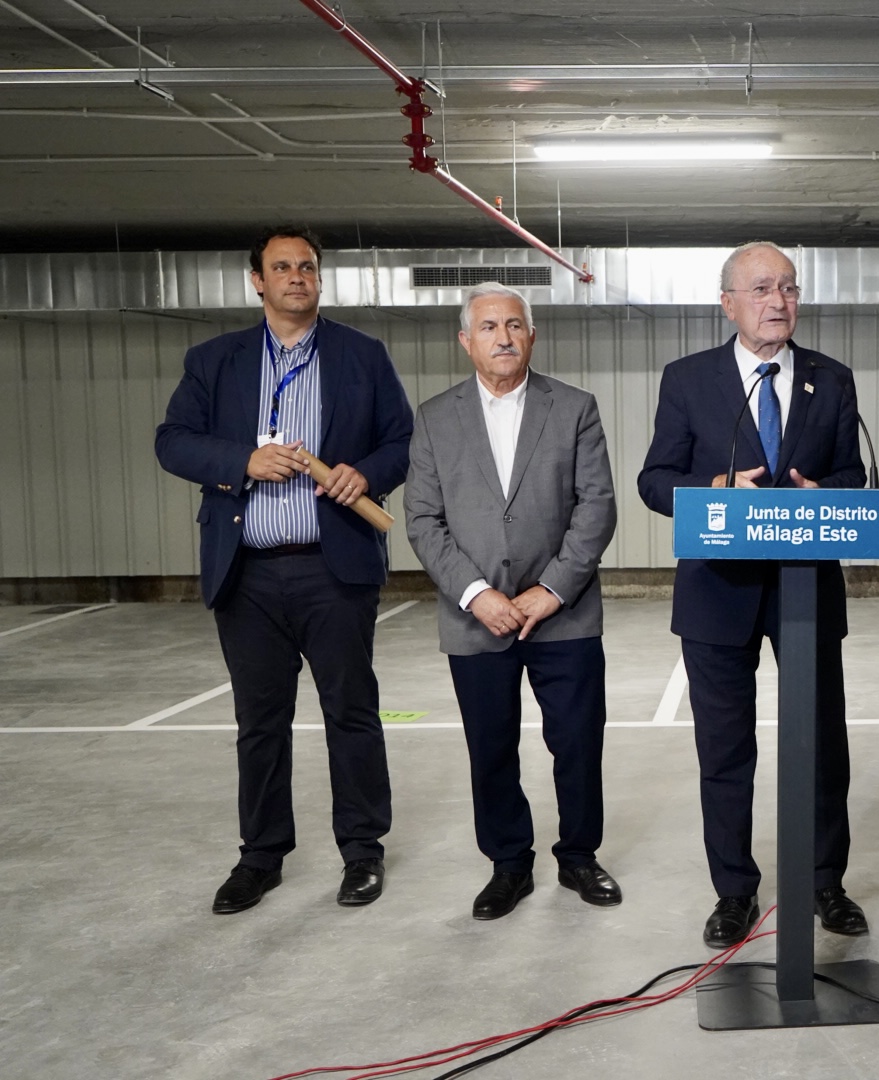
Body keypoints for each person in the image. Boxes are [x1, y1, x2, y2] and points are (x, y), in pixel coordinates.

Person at [154, 226, 413, 914]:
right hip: (247, 573)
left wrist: (367, 474)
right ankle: (260, 857)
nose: (296, 276)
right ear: (258, 281)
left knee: (351, 713)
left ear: (318, 279)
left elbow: (401, 441)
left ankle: (362, 851)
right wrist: (242, 460)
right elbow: (172, 441)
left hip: (335, 568)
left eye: (306, 266)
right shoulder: (215, 361)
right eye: (282, 267)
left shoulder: (361, 355)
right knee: (260, 722)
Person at [637, 241, 868, 948]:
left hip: (806, 588)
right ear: (728, 303)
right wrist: (714, 488)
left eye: (789, 288)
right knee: (725, 753)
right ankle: (734, 891)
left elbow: (853, 476)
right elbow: (654, 480)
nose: (779, 301)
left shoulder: (831, 378)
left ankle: (825, 882)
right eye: (763, 288)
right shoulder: (688, 379)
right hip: (717, 593)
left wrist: (821, 492)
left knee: (821, 745)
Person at [405, 282, 619, 920]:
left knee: (577, 743)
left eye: (514, 325)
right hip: (476, 619)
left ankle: (579, 856)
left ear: (532, 335)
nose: (503, 337)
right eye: (489, 327)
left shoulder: (574, 408)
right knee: (491, 747)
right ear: (466, 341)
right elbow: (423, 520)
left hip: (564, 614)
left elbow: (596, 507)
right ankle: (508, 864)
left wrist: (550, 590)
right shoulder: (434, 417)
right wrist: (477, 595)